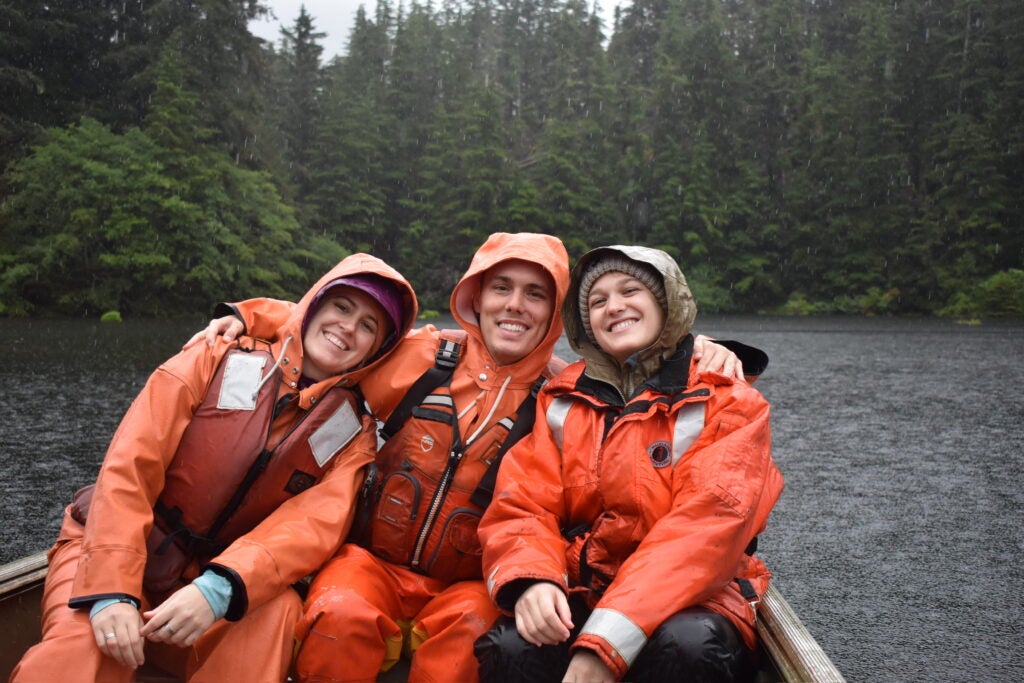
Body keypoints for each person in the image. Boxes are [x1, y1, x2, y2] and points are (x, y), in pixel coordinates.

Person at [194, 233, 761, 683]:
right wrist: (251, 317)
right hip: (372, 564)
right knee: (340, 616)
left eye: (536, 294)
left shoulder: (560, 391)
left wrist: (699, 347)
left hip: (473, 585)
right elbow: (333, 330)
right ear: (474, 298)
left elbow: (642, 363)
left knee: (473, 638)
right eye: (500, 289)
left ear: (555, 315)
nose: (514, 306)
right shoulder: (422, 356)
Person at [11, 253, 417, 683]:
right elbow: (130, 467)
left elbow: (310, 526)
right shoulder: (215, 353)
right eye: (341, 306)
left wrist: (219, 589)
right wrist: (112, 591)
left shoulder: (353, 434)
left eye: (369, 326)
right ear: (314, 305)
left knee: (277, 612)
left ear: (377, 351)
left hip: (213, 578)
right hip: (108, 546)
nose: (348, 328)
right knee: (81, 650)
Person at [474, 245, 784, 683]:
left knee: (689, 647)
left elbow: (708, 527)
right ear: (587, 324)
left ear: (666, 304)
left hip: (696, 598)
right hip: (589, 586)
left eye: (630, 290)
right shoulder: (562, 400)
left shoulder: (730, 401)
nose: (613, 306)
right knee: (513, 644)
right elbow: (522, 504)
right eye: (597, 301)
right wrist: (533, 580)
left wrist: (607, 641)